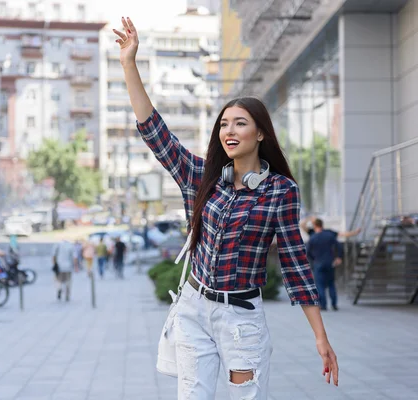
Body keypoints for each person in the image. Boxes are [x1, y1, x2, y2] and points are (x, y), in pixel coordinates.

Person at [113, 17, 339, 399]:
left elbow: (295, 263)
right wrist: (129, 64)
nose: (229, 131)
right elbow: (154, 131)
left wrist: (321, 336)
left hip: (241, 319)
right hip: (193, 309)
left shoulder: (280, 191)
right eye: (224, 125)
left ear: (261, 132)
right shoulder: (202, 176)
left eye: (240, 124)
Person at [307, 218, 343, 311]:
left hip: (318, 263)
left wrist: (312, 262)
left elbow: (307, 253)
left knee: (320, 285)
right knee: (331, 283)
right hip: (329, 262)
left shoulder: (313, 237)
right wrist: (338, 257)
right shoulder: (329, 235)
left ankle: (323, 305)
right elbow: (339, 245)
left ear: (315, 226)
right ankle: (334, 304)